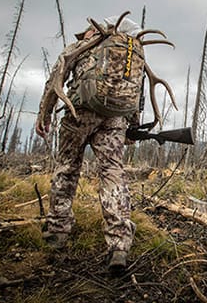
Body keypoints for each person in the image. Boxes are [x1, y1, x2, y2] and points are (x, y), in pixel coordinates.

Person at [35, 15, 141, 271]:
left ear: (92, 30)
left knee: (68, 166)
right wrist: (133, 126)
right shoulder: (128, 50)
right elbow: (133, 91)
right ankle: (118, 245)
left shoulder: (84, 46)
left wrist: (44, 114)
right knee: (113, 174)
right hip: (115, 118)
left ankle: (58, 232)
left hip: (78, 111)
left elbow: (55, 80)